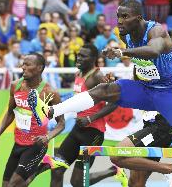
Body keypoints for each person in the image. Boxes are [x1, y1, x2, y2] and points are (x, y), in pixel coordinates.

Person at [29, 0, 172, 158]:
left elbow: (153, 52)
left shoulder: (157, 31)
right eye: (118, 17)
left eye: (124, 17)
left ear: (138, 18)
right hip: (144, 90)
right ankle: (50, 111)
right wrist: (121, 81)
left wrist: (121, 53)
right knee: (105, 89)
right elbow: (141, 65)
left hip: (166, 95)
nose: (119, 22)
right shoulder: (125, 33)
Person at [28, 44, 128, 187]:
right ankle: (113, 170)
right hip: (78, 130)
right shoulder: (78, 74)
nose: (78, 58)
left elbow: (114, 103)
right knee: (56, 170)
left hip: (93, 133)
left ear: (93, 59)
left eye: (83, 56)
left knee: (77, 182)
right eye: (78, 54)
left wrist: (90, 118)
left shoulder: (97, 77)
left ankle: (113, 170)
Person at [0, 53, 65, 187]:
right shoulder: (15, 86)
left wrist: (48, 136)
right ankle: (40, 168)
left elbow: (61, 124)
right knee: (6, 185)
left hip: (36, 145)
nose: (22, 67)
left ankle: (37, 169)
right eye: (22, 64)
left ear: (39, 68)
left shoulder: (49, 93)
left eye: (27, 64)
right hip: (18, 143)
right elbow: (10, 113)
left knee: (13, 185)